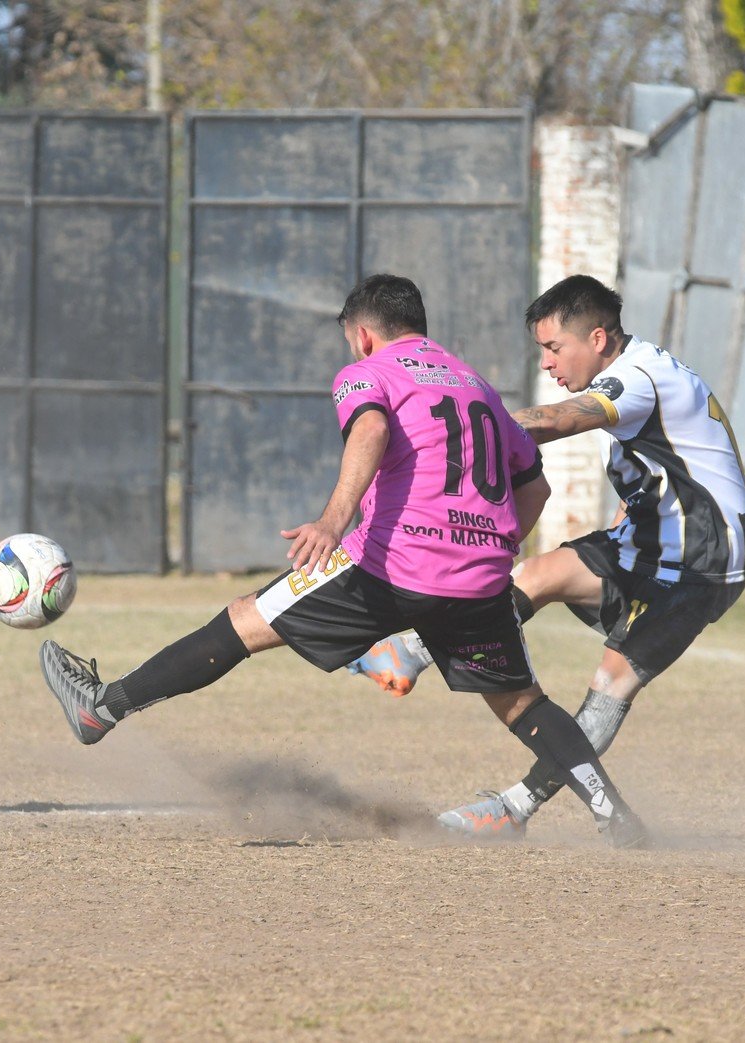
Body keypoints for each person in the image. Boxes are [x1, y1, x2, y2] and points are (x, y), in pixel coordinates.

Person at [39, 273, 648, 847]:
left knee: (243, 622)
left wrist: (333, 521)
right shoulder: (477, 385)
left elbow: (370, 432)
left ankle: (104, 707)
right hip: (480, 577)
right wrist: (487, 548)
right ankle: (614, 815)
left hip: (387, 564)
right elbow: (534, 488)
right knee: (523, 705)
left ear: (363, 335)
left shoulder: (369, 372)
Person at [348, 274, 745, 838]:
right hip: (651, 542)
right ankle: (413, 651)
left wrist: (467, 426)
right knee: (537, 574)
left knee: (611, 682)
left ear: (596, 338)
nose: (546, 363)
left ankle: (514, 809)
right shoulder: (642, 368)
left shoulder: (637, 378)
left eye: (553, 348)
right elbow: (669, 464)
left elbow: (562, 420)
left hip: (700, 562)